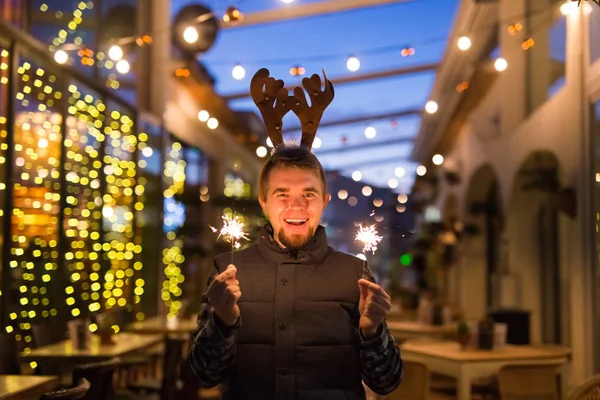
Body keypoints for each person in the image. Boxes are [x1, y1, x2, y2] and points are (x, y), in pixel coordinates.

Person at [188, 68, 403, 400]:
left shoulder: (356, 275)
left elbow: (386, 382)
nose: (297, 206)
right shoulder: (227, 272)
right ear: (263, 202)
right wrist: (224, 322)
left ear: (325, 202)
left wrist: (372, 331)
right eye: (282, 194)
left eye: (309, 194)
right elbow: (203, 375)